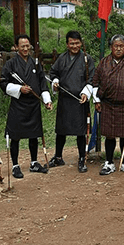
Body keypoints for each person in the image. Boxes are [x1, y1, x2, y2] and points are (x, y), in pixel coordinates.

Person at [91, 34, 124, 175]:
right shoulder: (103, 63)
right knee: (109, 135)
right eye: (116, 46)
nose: (119, 49)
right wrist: (97, 101)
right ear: (111, 47)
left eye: (121, 46)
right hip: (107, 105)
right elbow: (95, 82)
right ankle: (109, 162)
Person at [0, 35, 52, 178]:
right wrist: (18, 89)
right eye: (22, 46)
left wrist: (47, 100)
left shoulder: (35, 63)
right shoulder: (11, 64)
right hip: (18, 105)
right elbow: (3, 83)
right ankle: (15, 165)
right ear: (16, 47)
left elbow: (42, 83)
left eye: (27, 46)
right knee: (15, 136)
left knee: (34, 135)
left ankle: (34, 162)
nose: (25, 49)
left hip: (34, 105)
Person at [49, 31, 94, 173]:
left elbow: (92, 79)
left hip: (80, 100)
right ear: (67, 45)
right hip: (64, 99)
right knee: (61, 130)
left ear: (81, 43)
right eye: (71, 43)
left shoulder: (87, 59)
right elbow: (53, 73)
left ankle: (82, 158)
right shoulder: (61, 59)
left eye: (77, 43)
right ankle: (58, 157)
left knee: (81, 131)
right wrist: (55, 82)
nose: (75, 46)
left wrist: (86, 93)